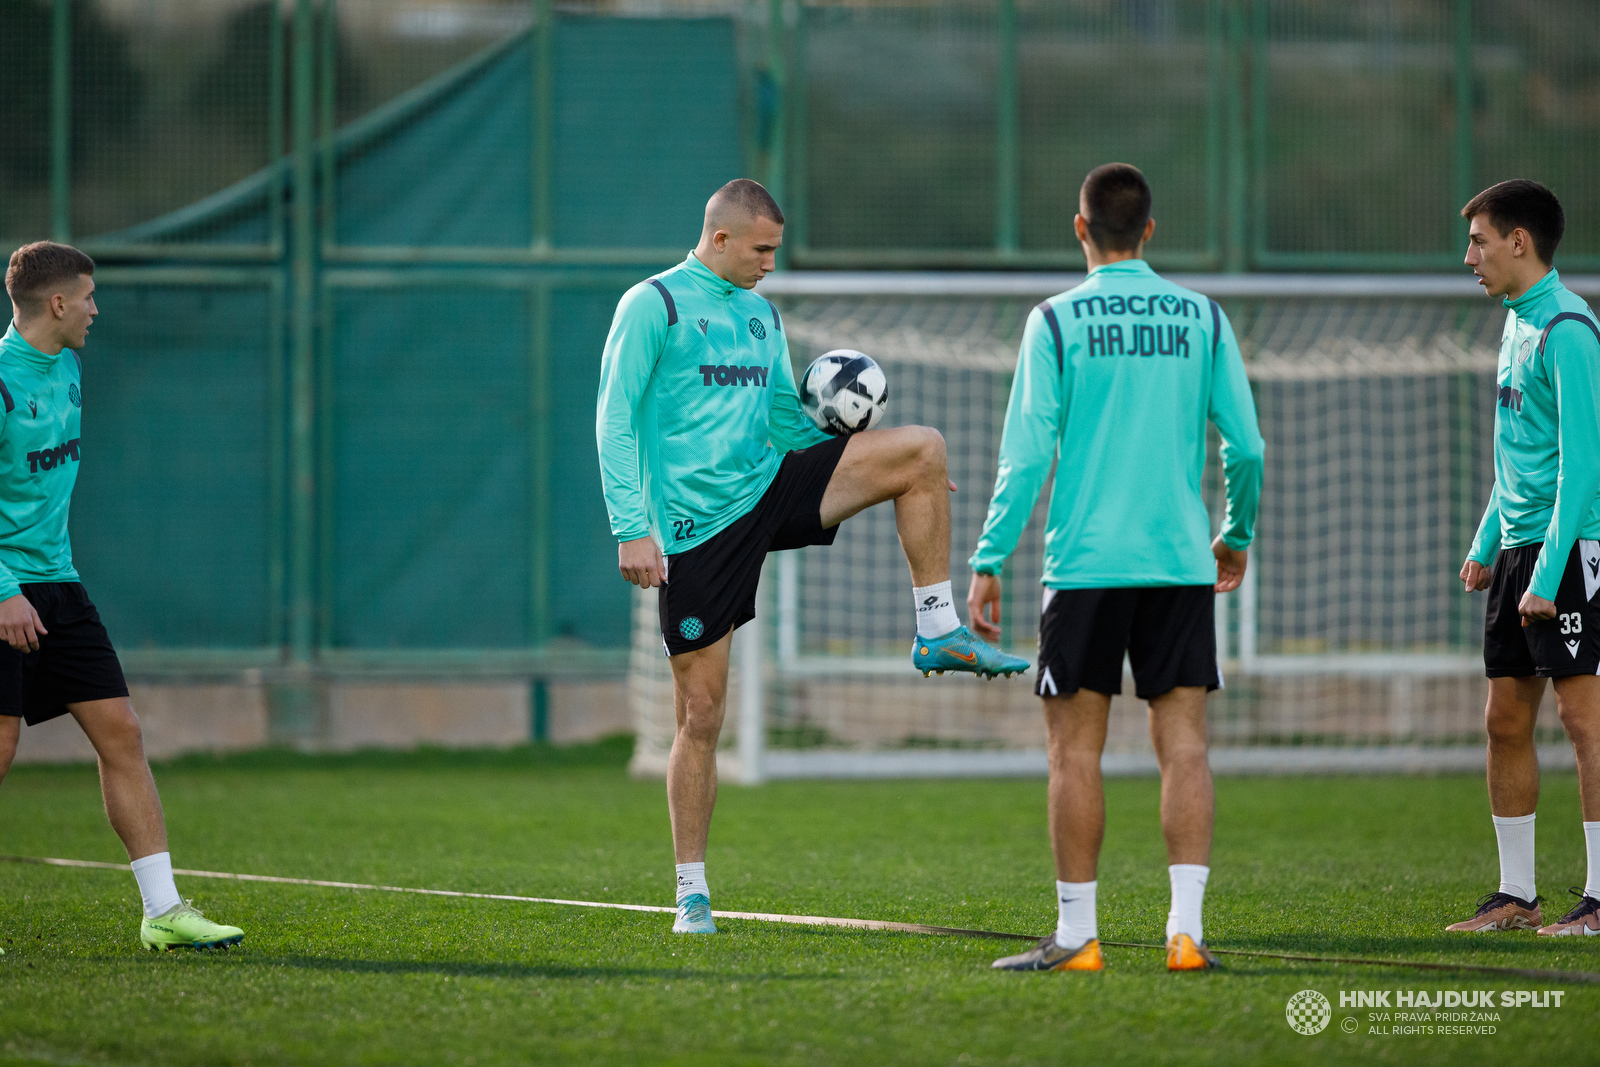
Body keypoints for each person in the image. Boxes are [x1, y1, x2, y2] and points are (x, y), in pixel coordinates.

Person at [596, 179, 1027, 933]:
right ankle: (691, 891)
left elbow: (784, 426)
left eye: (776, 251)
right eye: (762, 249)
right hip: (699, 528)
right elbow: (614, 421)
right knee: (701, 714)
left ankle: (938, 627)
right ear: (721, 238)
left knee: (923, 447)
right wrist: (632, 527)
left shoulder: (763, 317)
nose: (771, 264)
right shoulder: (653, 306)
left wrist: (887, 464)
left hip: (771, 484)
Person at [969, 164, 1264, 972]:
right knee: (1186, 746)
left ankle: (1078, 937)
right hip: (1178, 565)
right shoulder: (1202, 316)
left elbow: (1025, 456)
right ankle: (1186, 934)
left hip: (1087, 567)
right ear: (1150, 231)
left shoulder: (1055, 321)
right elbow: (1247, 445)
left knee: (1073, 753)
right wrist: (1235, 533)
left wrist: (990, 557)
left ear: (1080, 227)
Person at [0, 241, 243, 952]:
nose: (96, 309)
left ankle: (162, 911)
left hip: (61, 586)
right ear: (57, 303)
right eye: (89, 296)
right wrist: (6, 590)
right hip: (6, 589)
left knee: (123, 734)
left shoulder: (69, 367)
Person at [1450, 179, 1600, 937]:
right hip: (1517, 549)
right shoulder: (1513, 324)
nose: (1468, 255)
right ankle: (1518, 894)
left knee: (1582, 717)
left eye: (1478, 240)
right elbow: (1521, 458)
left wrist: (1546, 575)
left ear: (1519, 241)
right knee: (1504, 719)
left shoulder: (1569, 328)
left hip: (1567, 551)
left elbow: (1584, 464)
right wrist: (1487, 545)